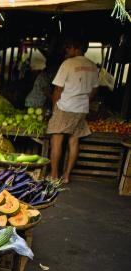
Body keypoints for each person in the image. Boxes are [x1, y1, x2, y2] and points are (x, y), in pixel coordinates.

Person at [47, 38, 99, 184]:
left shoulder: (68, 63)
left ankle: (54, 175)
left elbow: (58, 89)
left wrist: (54, 108)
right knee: (74, 141)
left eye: (68, 48)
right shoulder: (92, 66)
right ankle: (67, 176)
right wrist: (84, 101)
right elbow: (95, 89)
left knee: (56, 140)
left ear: (76, 48)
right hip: (81, 109)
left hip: (64, 107)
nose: (66, 51)